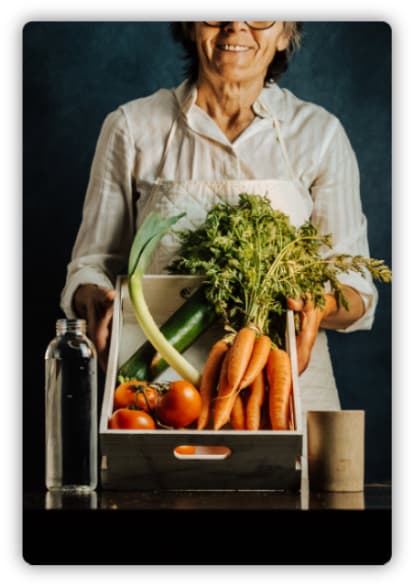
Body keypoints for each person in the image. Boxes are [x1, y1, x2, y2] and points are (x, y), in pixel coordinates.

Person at [61, 21, 377, 422]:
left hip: (286, 389)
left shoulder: (319, 134)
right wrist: (94, 300)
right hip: (160, 390)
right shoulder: (131, 127)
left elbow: (356, 291)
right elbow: (92, 264)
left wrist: (315, 305)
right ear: (190, 26)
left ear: (285, 33)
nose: (236, 23)